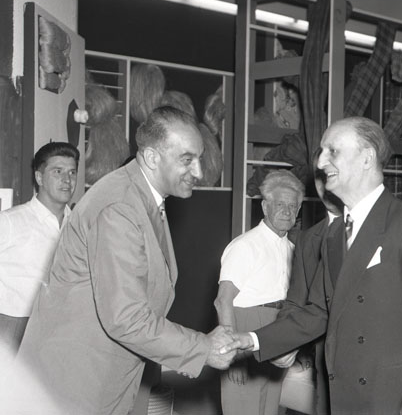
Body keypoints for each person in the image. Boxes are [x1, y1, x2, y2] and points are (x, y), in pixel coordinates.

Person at [2, 107, 236, 415]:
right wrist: (203, 348)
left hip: (101, 381)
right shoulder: (119, 207)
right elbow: (127, 317)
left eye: (199, 159)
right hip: (72, 386)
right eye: (187, 159)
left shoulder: (143, 199)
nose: (199, 172)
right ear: (152, 157)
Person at [224, 117, 402, 415]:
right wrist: (254, 339)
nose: (320, 163)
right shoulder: (333, 235)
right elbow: (319, 311)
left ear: (367, 157)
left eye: (332, 151)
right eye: (321, 152)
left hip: (392, 396)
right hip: (344, 393)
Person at [214, 169, 304, 415]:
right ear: (265, 207)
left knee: (270, 409)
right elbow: (223, 301)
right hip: (246, 333)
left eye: (293, 206)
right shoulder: (245, 246)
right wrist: (233, 355)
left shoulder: (292, 249)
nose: (287, 211)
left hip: (277, 333)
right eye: (280, 204)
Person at [273, 152, 344, 415]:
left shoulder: (393, 228)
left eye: (334, 172)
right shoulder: (308, 239)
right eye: (320, 176)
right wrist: (283, 341)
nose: (327, 183)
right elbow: (296, 301)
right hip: (325, 363)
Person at [0, 142, 78, 366]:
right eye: (58, 171)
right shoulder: (10, 221)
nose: (67, 180)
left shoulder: (79, 226)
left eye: (72, 172)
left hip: (61, 328)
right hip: (13, 326)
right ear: (39, 177)